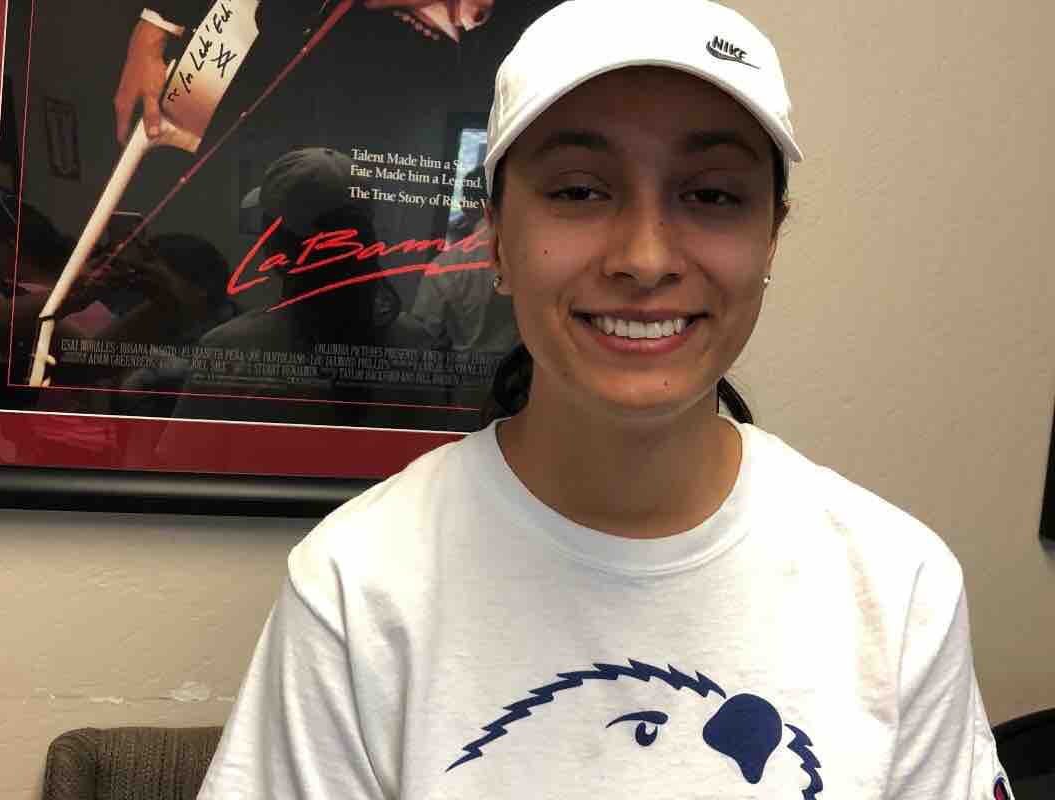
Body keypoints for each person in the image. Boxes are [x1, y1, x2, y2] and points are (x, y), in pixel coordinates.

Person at [197, 1, 1015, 797]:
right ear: (497, 238)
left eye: (712, 195)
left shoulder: (897, 590)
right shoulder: (356, 590)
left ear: (770, 238)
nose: (646, 258)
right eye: (581, 191)